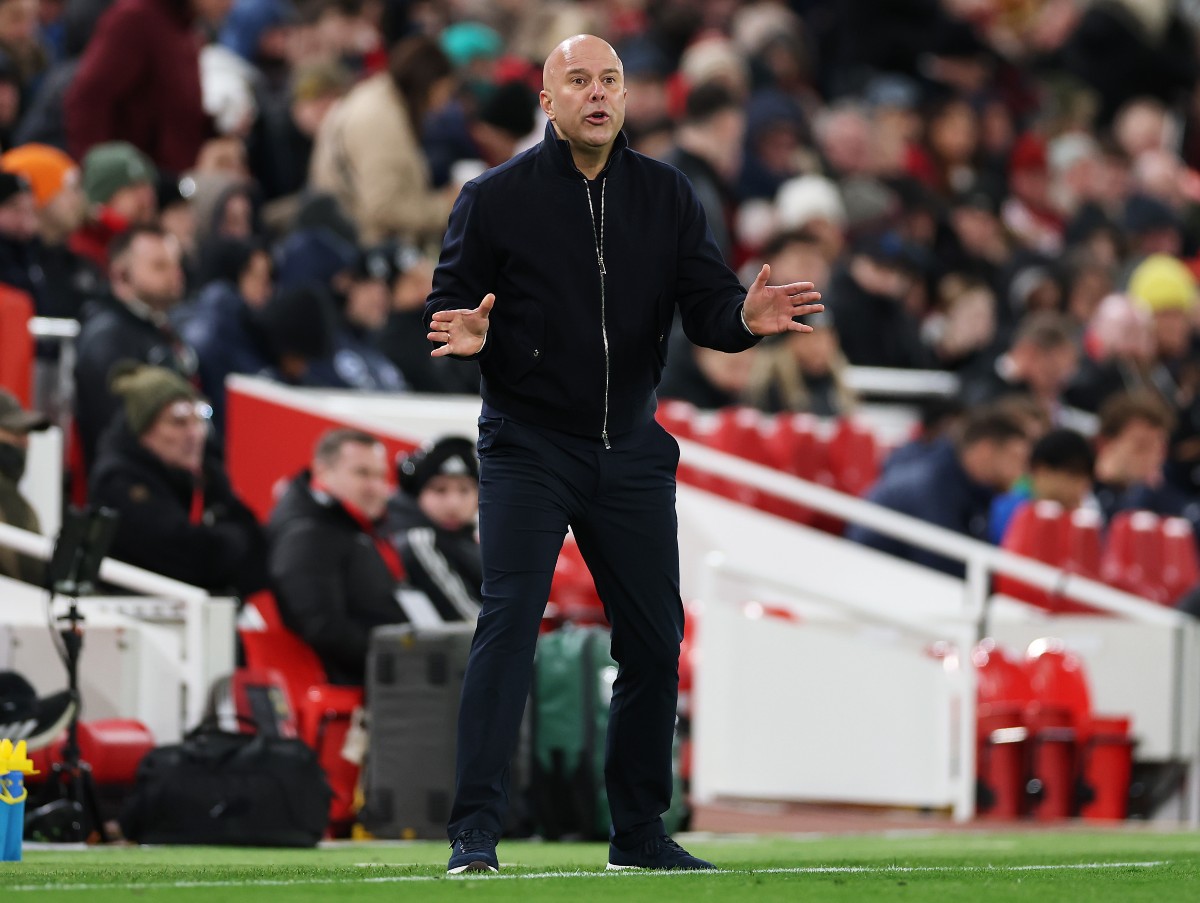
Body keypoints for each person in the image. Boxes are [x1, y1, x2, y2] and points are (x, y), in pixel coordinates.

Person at [424, 35, 823, 874]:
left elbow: (708, 306)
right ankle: (475, 833)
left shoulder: (667, 193)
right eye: (579, 80)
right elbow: (451, 305)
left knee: (652, 640)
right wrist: (472, 335)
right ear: (548, 101)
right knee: (509, 624)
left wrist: (743, 321)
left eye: (610, 80)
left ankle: (638, 834)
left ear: (628, 97)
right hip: (529, 444)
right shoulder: (492, 198)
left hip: (632, 447)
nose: (598, 93)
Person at [88, 362, 267, 595]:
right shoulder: (118, 482)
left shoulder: (205, 471)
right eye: (178, 422)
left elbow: (258, 548)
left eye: (199, 418)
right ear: (144, 430)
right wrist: (230, 545)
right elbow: (187, 556)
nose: (194, 433)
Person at [267, 428, 409, 686]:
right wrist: (401, 659)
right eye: (362, 473)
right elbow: (324, 629)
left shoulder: (348, 524)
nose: (375, 486)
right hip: (354, 683)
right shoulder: (307, 533)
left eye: (380, 475)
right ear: (322, 472)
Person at [845, 406, 1032, 576]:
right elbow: (943, 567)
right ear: (985, 450)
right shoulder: (933, 489)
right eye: (1015, 458)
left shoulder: (968, 488)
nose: (1021, 472)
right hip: (869, 580)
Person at [73, 224, 195, 468]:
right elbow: (115, 428)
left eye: (176, 264)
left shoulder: (160, 328)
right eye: (159, 266)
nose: (175, 275)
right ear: (121, 275)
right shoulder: (108, 339)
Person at [386, 436, 482, 623]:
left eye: (464, 490)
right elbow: (471, 621)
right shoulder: (420, 540)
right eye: (440, 490)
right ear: (417, 494)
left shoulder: (468, 540)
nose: (453, 503)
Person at [0, 388, 49, 584]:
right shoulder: (7, 499)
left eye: (26, 433)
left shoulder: (14, 498)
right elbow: (31, 573)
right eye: (14, 432)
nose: (25, 442)